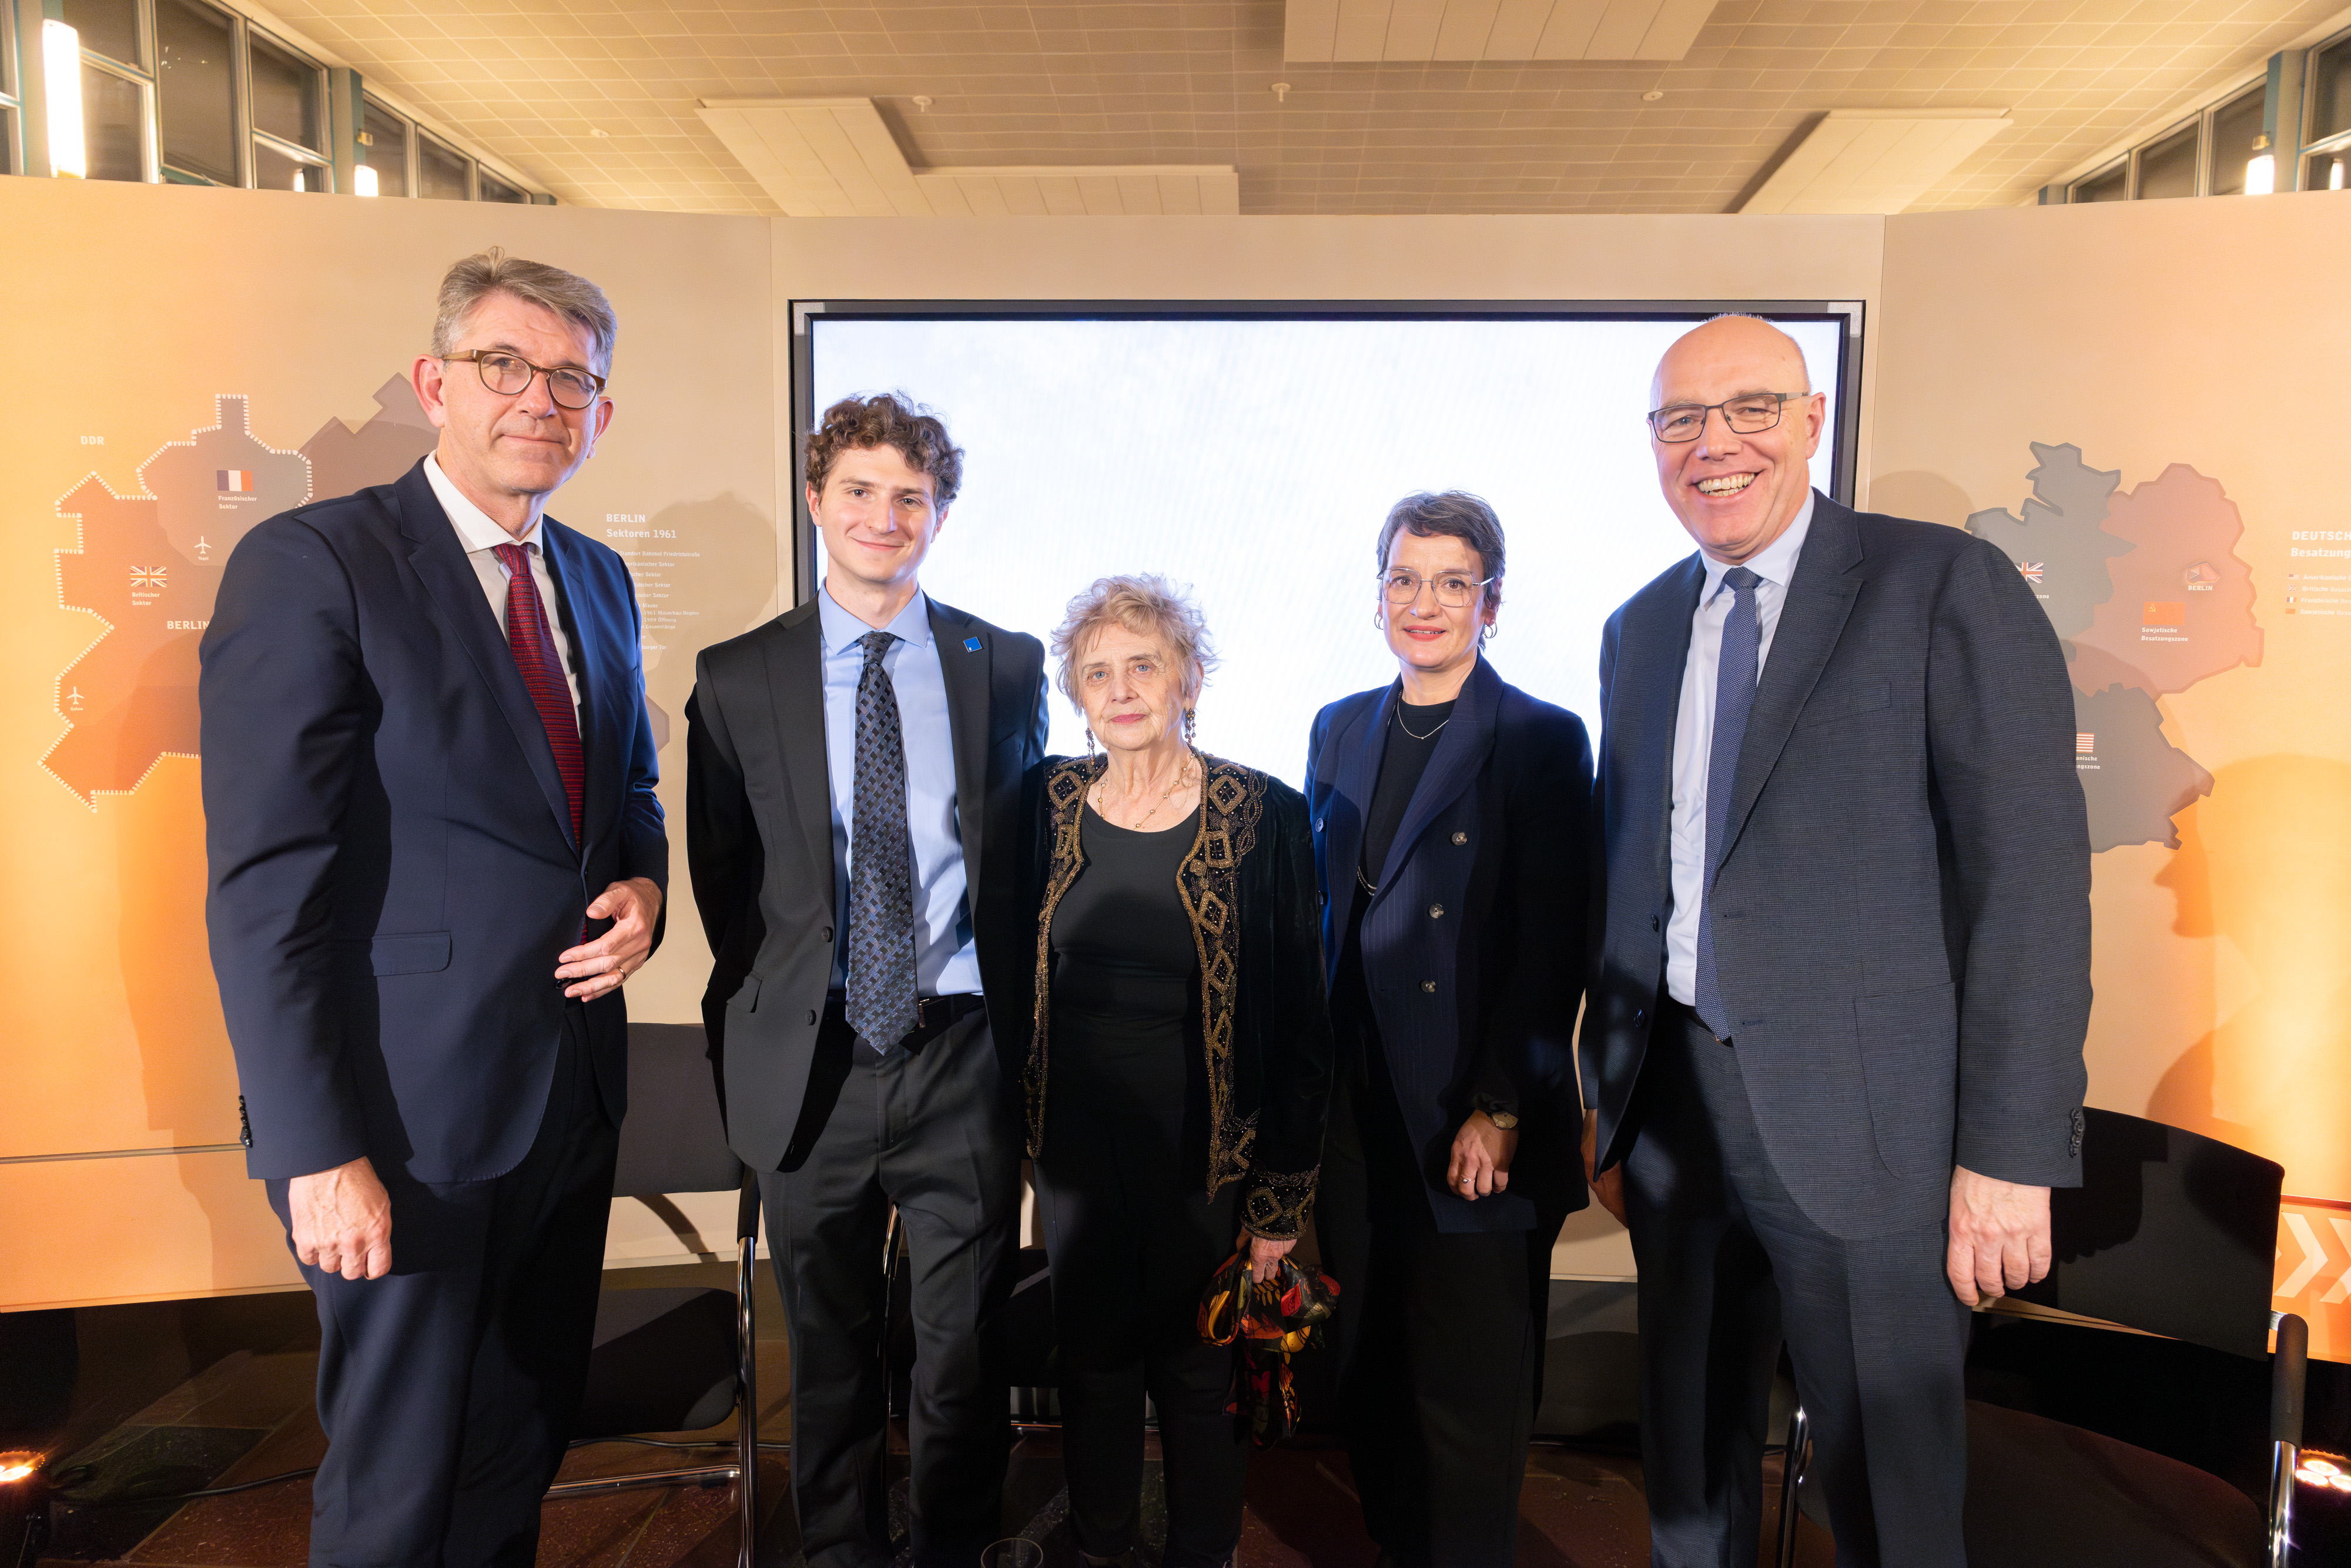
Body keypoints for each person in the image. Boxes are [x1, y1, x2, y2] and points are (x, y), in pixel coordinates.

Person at [1582, 314, 2091, 1566]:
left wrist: (2008, 1155)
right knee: (1689, 1482)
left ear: (1810, 422)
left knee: (1887, 1506)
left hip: (1874, 1139)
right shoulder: (1639, 627)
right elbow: (1635, 881)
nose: (1714, 445)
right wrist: (1607, 1105)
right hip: (1673, 1123)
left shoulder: (1938, 585)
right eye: (1680, 420)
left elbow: (2025, 883)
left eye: (1749, 408)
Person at [200, 249, 666, 1566]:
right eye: (505, 366)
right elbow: (264, 883)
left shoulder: (597, 577)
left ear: (601, 414)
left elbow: (625, 787)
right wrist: (314, 1148)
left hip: (566, 1098)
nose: (540, 399)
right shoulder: (317, 563)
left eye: (573, 380)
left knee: (516, 1446)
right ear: (434, 382)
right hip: (398, 1123)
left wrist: (642, 885)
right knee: (399, 1482)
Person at [685, 393, 1048, 1568]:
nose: (882, 516)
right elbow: (723, 881)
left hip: (962, 1053)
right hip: (815, 1063)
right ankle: (837, 1552)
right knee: (830, 1355)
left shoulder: (1006, 662)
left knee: (960, 1353)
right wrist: (781, 1011)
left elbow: (1025, 860)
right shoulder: (737, 677)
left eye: (909, 496)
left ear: (938, 513)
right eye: (858, 490)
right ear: (815, 498)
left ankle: (950, 1546)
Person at [1304, 492, 1592, 1568]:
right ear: (1380, 591)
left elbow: (1550, 943)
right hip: (1356, 1103)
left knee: (1466, 1381)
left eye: (1451, 582)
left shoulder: (1541, 739)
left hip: (1472, 1109)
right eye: (1404, 579)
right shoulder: (1338, 724)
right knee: (1373, 1363)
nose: (1424, 603)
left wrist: (1501, 1103)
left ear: (1492, 601)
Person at [1023, 575, 1331, 1568]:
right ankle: (1101, 1546)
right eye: (1097, 672)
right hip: (1076, 1161)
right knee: (1096, 1370)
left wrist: (1279, 1206)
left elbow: (1301, 1023)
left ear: (1187, 678)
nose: (1120, 690)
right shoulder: (1047, 804)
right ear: (1076, 693)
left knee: (1202, 1380)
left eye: (1142, 666)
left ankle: (1205, 1553)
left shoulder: (1263, 816)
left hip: (1209, 1160)